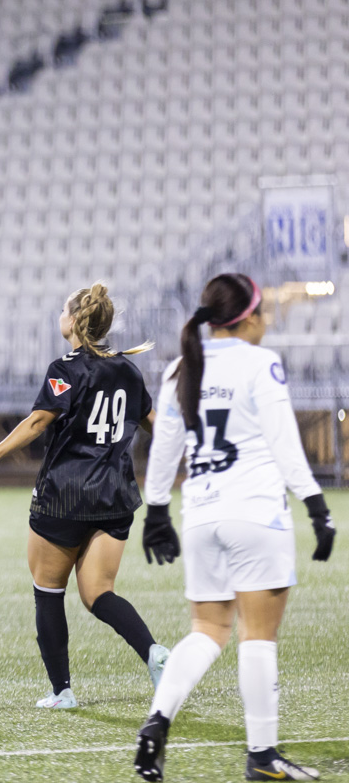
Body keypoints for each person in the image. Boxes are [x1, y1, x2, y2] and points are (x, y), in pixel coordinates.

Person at [134, 273, 334, 782]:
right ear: (247, 319)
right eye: (263, 313)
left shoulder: (182, 365)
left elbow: (165, 447)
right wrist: (315, 504)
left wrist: (157, 511)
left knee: (207, 630)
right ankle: (263, 757)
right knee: (258, 637)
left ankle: (157, 722)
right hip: (255, 514)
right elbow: (284, 441)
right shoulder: (260, 362)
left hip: (201, 514)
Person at [0, 282, 170, 708]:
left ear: (74, 321)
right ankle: (154, 653)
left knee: (48, 590)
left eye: (63, 310)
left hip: (65, 495)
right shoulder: (127, 369)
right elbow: (157, 424)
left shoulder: (66, 368)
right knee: (98, 593)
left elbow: (39, 421)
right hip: (114, 495)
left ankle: (62, 691)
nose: (60, 315)